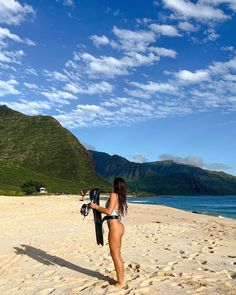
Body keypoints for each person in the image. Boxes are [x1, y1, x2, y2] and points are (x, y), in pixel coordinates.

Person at [90, 177, 128, 289]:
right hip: (119, 225)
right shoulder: (120, 197)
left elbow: (108, 211)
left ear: (115, 185)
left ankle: (121, 283)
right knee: (117, 254)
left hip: (115, 226)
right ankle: (121, 279)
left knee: (115, 255)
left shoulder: (113, 195)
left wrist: (95, 206)